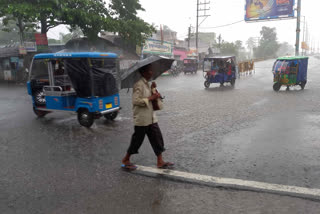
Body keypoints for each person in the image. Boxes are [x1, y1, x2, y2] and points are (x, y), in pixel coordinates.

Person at [121, 64, 174, 170]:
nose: (151, 73)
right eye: (149, 71)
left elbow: (153, 98)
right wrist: (151, 97)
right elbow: (136, 101)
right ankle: (126, 159)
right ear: (143, 72)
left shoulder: (148, 84)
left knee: (157, 138)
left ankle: (160, 161)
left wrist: (154, 89)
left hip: (151, 117)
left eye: (151, 70)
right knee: (137, 140)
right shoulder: (138, 85)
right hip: (142, 118)